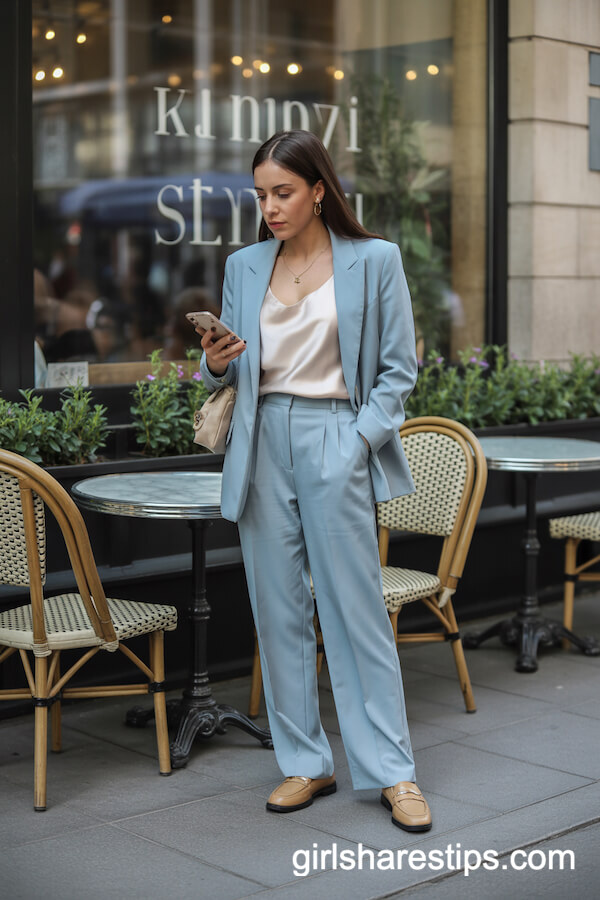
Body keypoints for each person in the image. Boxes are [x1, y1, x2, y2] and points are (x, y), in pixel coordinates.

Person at [199, 130, 431, 832]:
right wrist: (214, 360)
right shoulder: (244, 267)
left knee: (354, 610)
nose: (269, 206)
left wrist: (357, 444)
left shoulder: (376, 260)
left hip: (338, 435)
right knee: (278, 611)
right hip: (262, 438)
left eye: (283, 192)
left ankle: (394, 772)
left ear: (319, 189)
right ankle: (306, 762)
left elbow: (399, 371)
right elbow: (233, 372)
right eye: (261, 194)